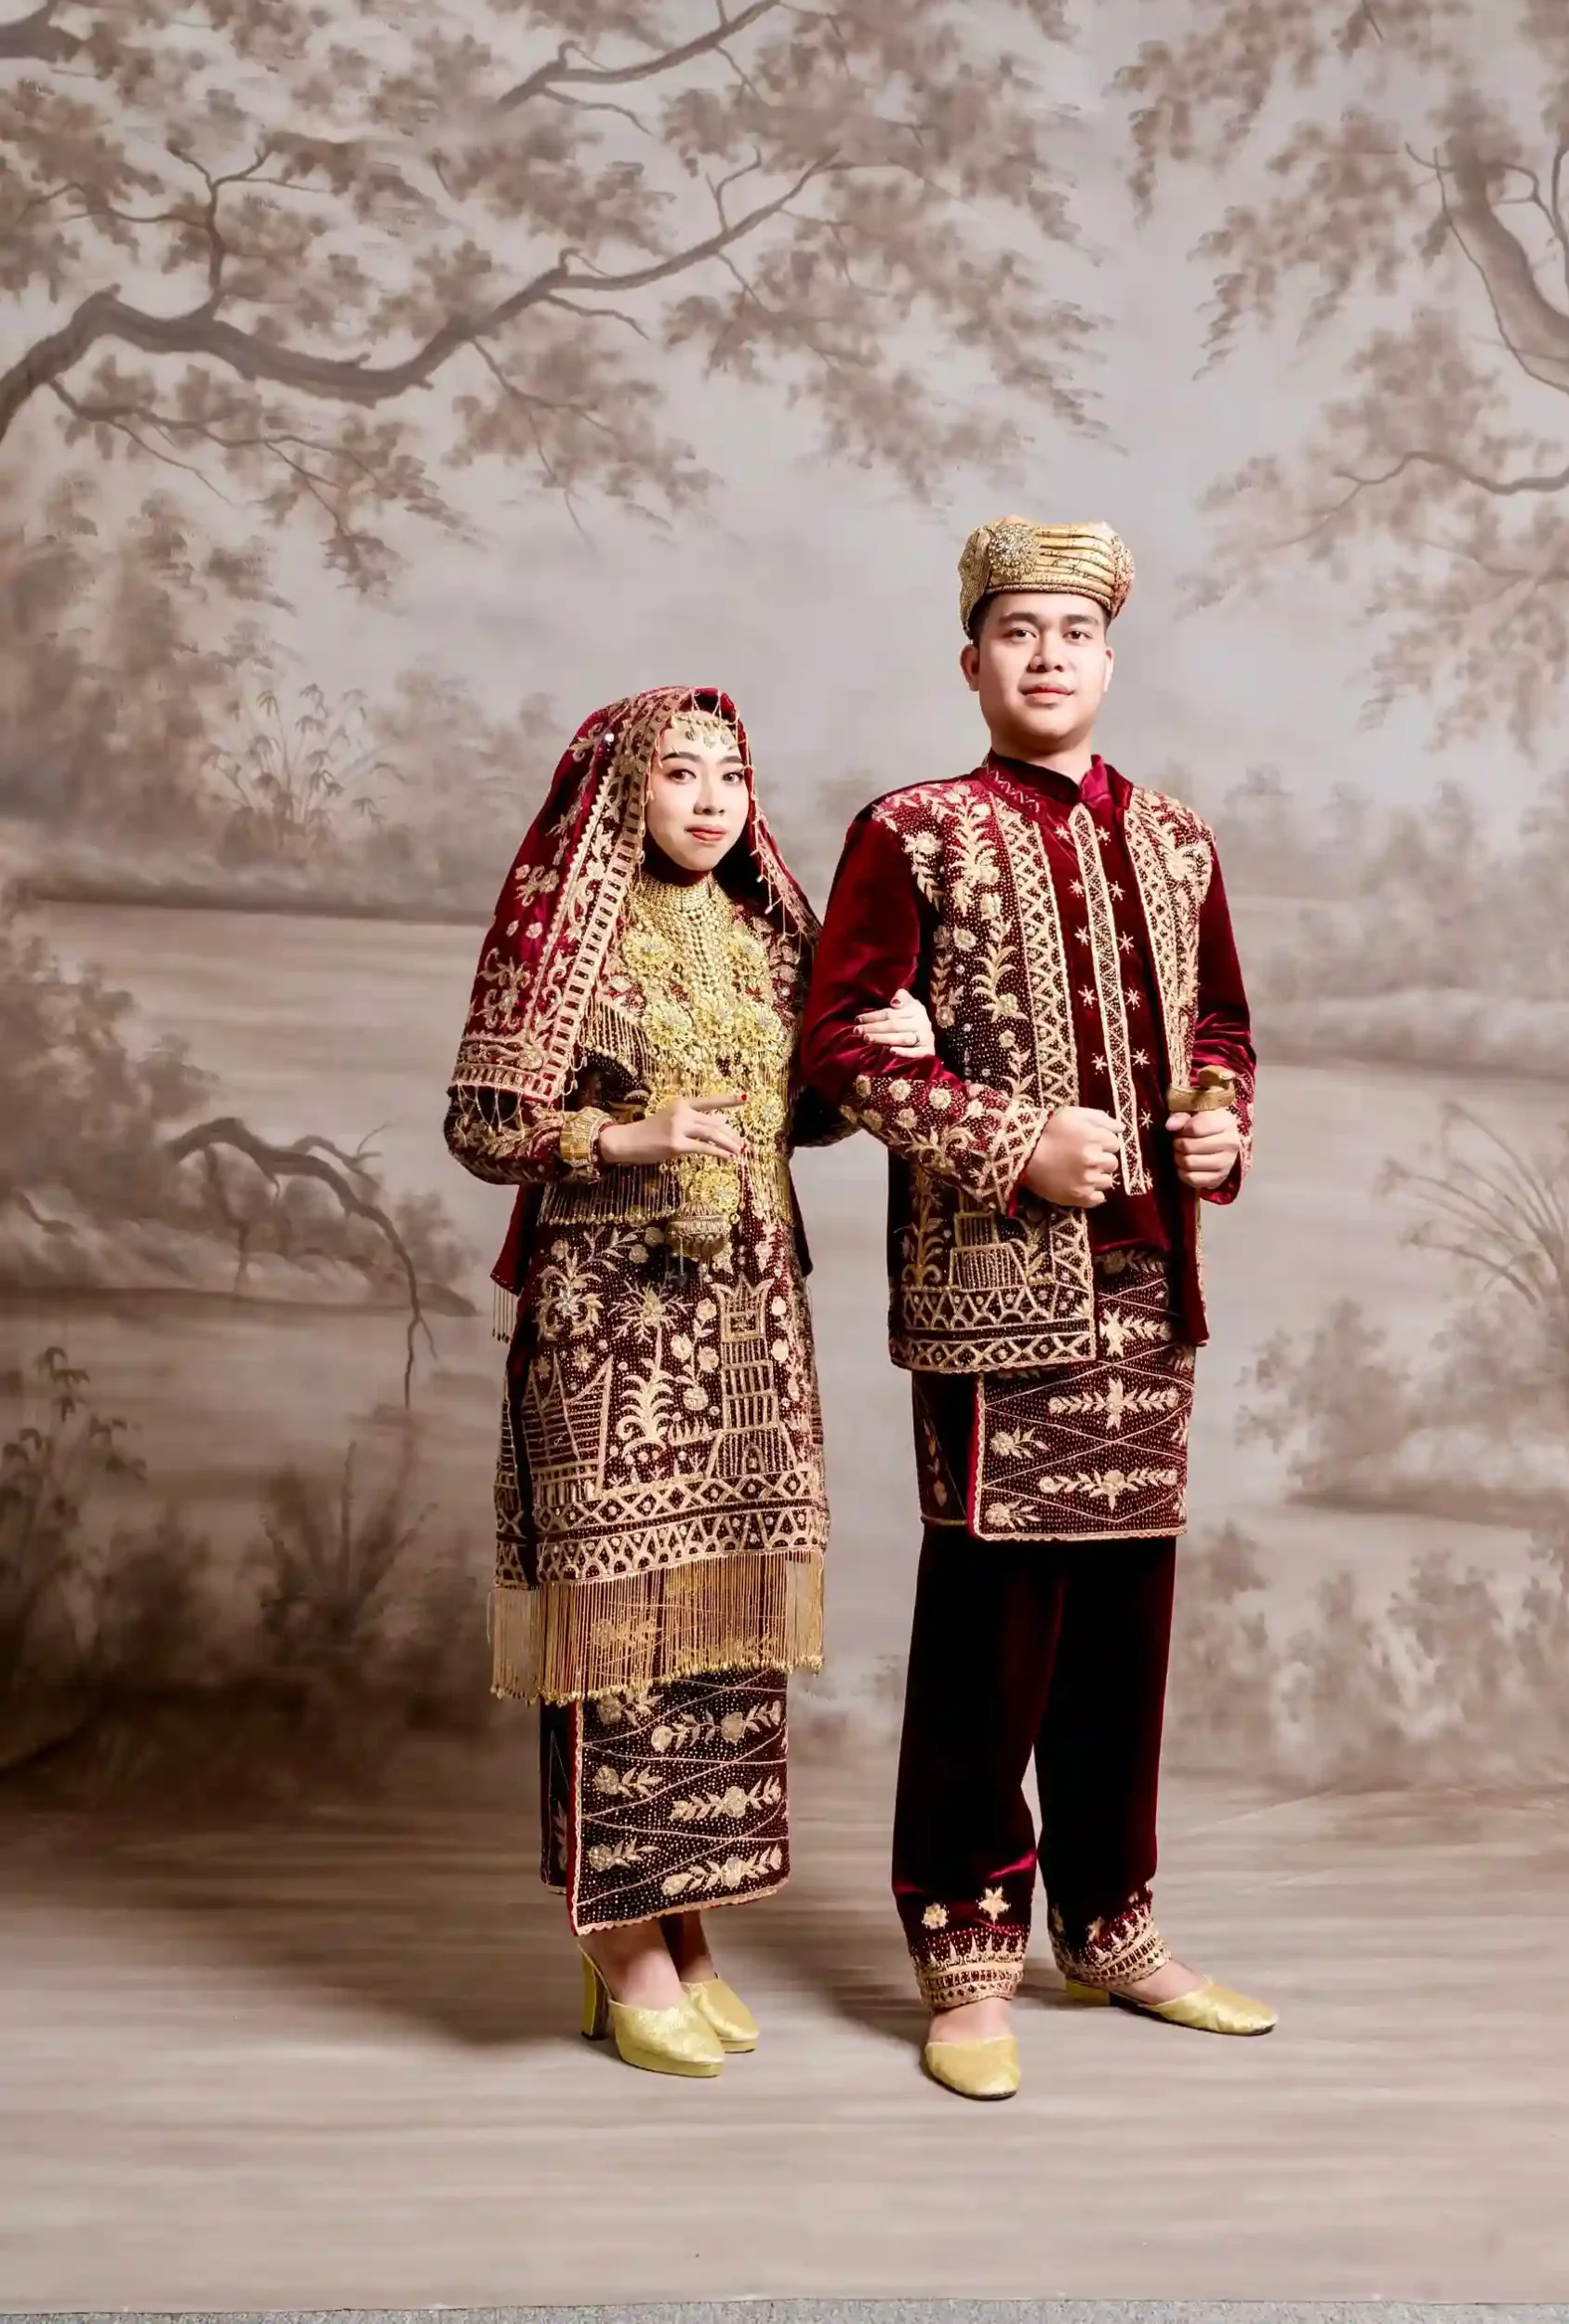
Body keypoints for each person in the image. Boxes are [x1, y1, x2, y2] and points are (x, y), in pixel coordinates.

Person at [800, 518, 1276, 2101]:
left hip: (1149, 1287)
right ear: (971, 662)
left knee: (1124, 1625)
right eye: (1018, 631)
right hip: (991, 1290)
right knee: (989, 1633)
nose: (1048, 655)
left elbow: (1221, 1025)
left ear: (1110, 659)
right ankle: (963, 1956)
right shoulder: (913, 833)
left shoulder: (1178, 838)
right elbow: (837, 1048)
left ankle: (1111, 1923)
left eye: (1073, 631)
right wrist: (1010, 1139)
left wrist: (1215, 1126)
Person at [445, 685, 931, 2079]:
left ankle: (685, 1921)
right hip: (610, 1324)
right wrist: (619, 1139)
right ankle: (618, 1938)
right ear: (624, 791)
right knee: (618, 1622)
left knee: (721, 1629)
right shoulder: (568, 928)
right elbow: (482, 1120)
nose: (711, 801)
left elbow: (808, 1105)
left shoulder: (765, 927)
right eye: (678, 774)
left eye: (730, 775)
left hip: (751, 1318)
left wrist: (886, 1044)